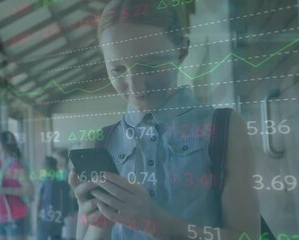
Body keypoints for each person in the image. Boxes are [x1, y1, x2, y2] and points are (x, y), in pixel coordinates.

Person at [69, 0, 260, 239]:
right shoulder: (96, 144)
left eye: (150, 65)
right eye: (118, 70)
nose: (135, 85)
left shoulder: (224, 128)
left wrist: (155, 222)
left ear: (182, 50)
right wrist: (99, 223)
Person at [0, 131, 34, 240]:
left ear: (0, 146)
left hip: (15, 218)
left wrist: (6, 190)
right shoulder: (1, 166)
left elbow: (29, 189)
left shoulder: (15, 166)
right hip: (0, 218)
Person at [35, 156, 70, 240]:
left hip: (44, 220)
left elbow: (38, 204)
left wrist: (36, 221)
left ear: (45, 167)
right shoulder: (63, 183)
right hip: (58, 220)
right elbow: (67, 202)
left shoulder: (42, 182)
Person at [52, 148, 78, 240]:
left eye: (55, 158)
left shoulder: (67, 174)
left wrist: (72, 212)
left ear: (63, 160)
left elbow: (71, 195)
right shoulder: (58, 174)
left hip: (68, 214)